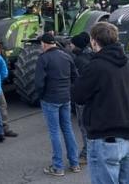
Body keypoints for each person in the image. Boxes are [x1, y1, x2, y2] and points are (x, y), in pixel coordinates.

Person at [72, 22, 129, 184]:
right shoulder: (125, 63)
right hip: (126, 136)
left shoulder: (96, 66)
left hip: (104, 138)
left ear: (94, 41)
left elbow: (77, 95)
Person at [35, 33, 80, 177]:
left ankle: (58, 166)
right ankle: (75, 163)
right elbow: (75, 77)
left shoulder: (43, 59)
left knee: (54, 132)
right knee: (67, 129)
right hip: (65, 98)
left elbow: (39, 83)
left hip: (50, 99)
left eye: (41, 43)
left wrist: (41, 96)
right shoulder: (66, 56)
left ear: (44, 44)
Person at [70, 32, 93, 162]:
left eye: (72, 44)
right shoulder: (91, 55)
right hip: (92, 97)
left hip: (83, 99)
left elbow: (78, 81)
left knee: (84, 126)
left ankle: (87, 153)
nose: (70, 46)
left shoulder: (79, 61)